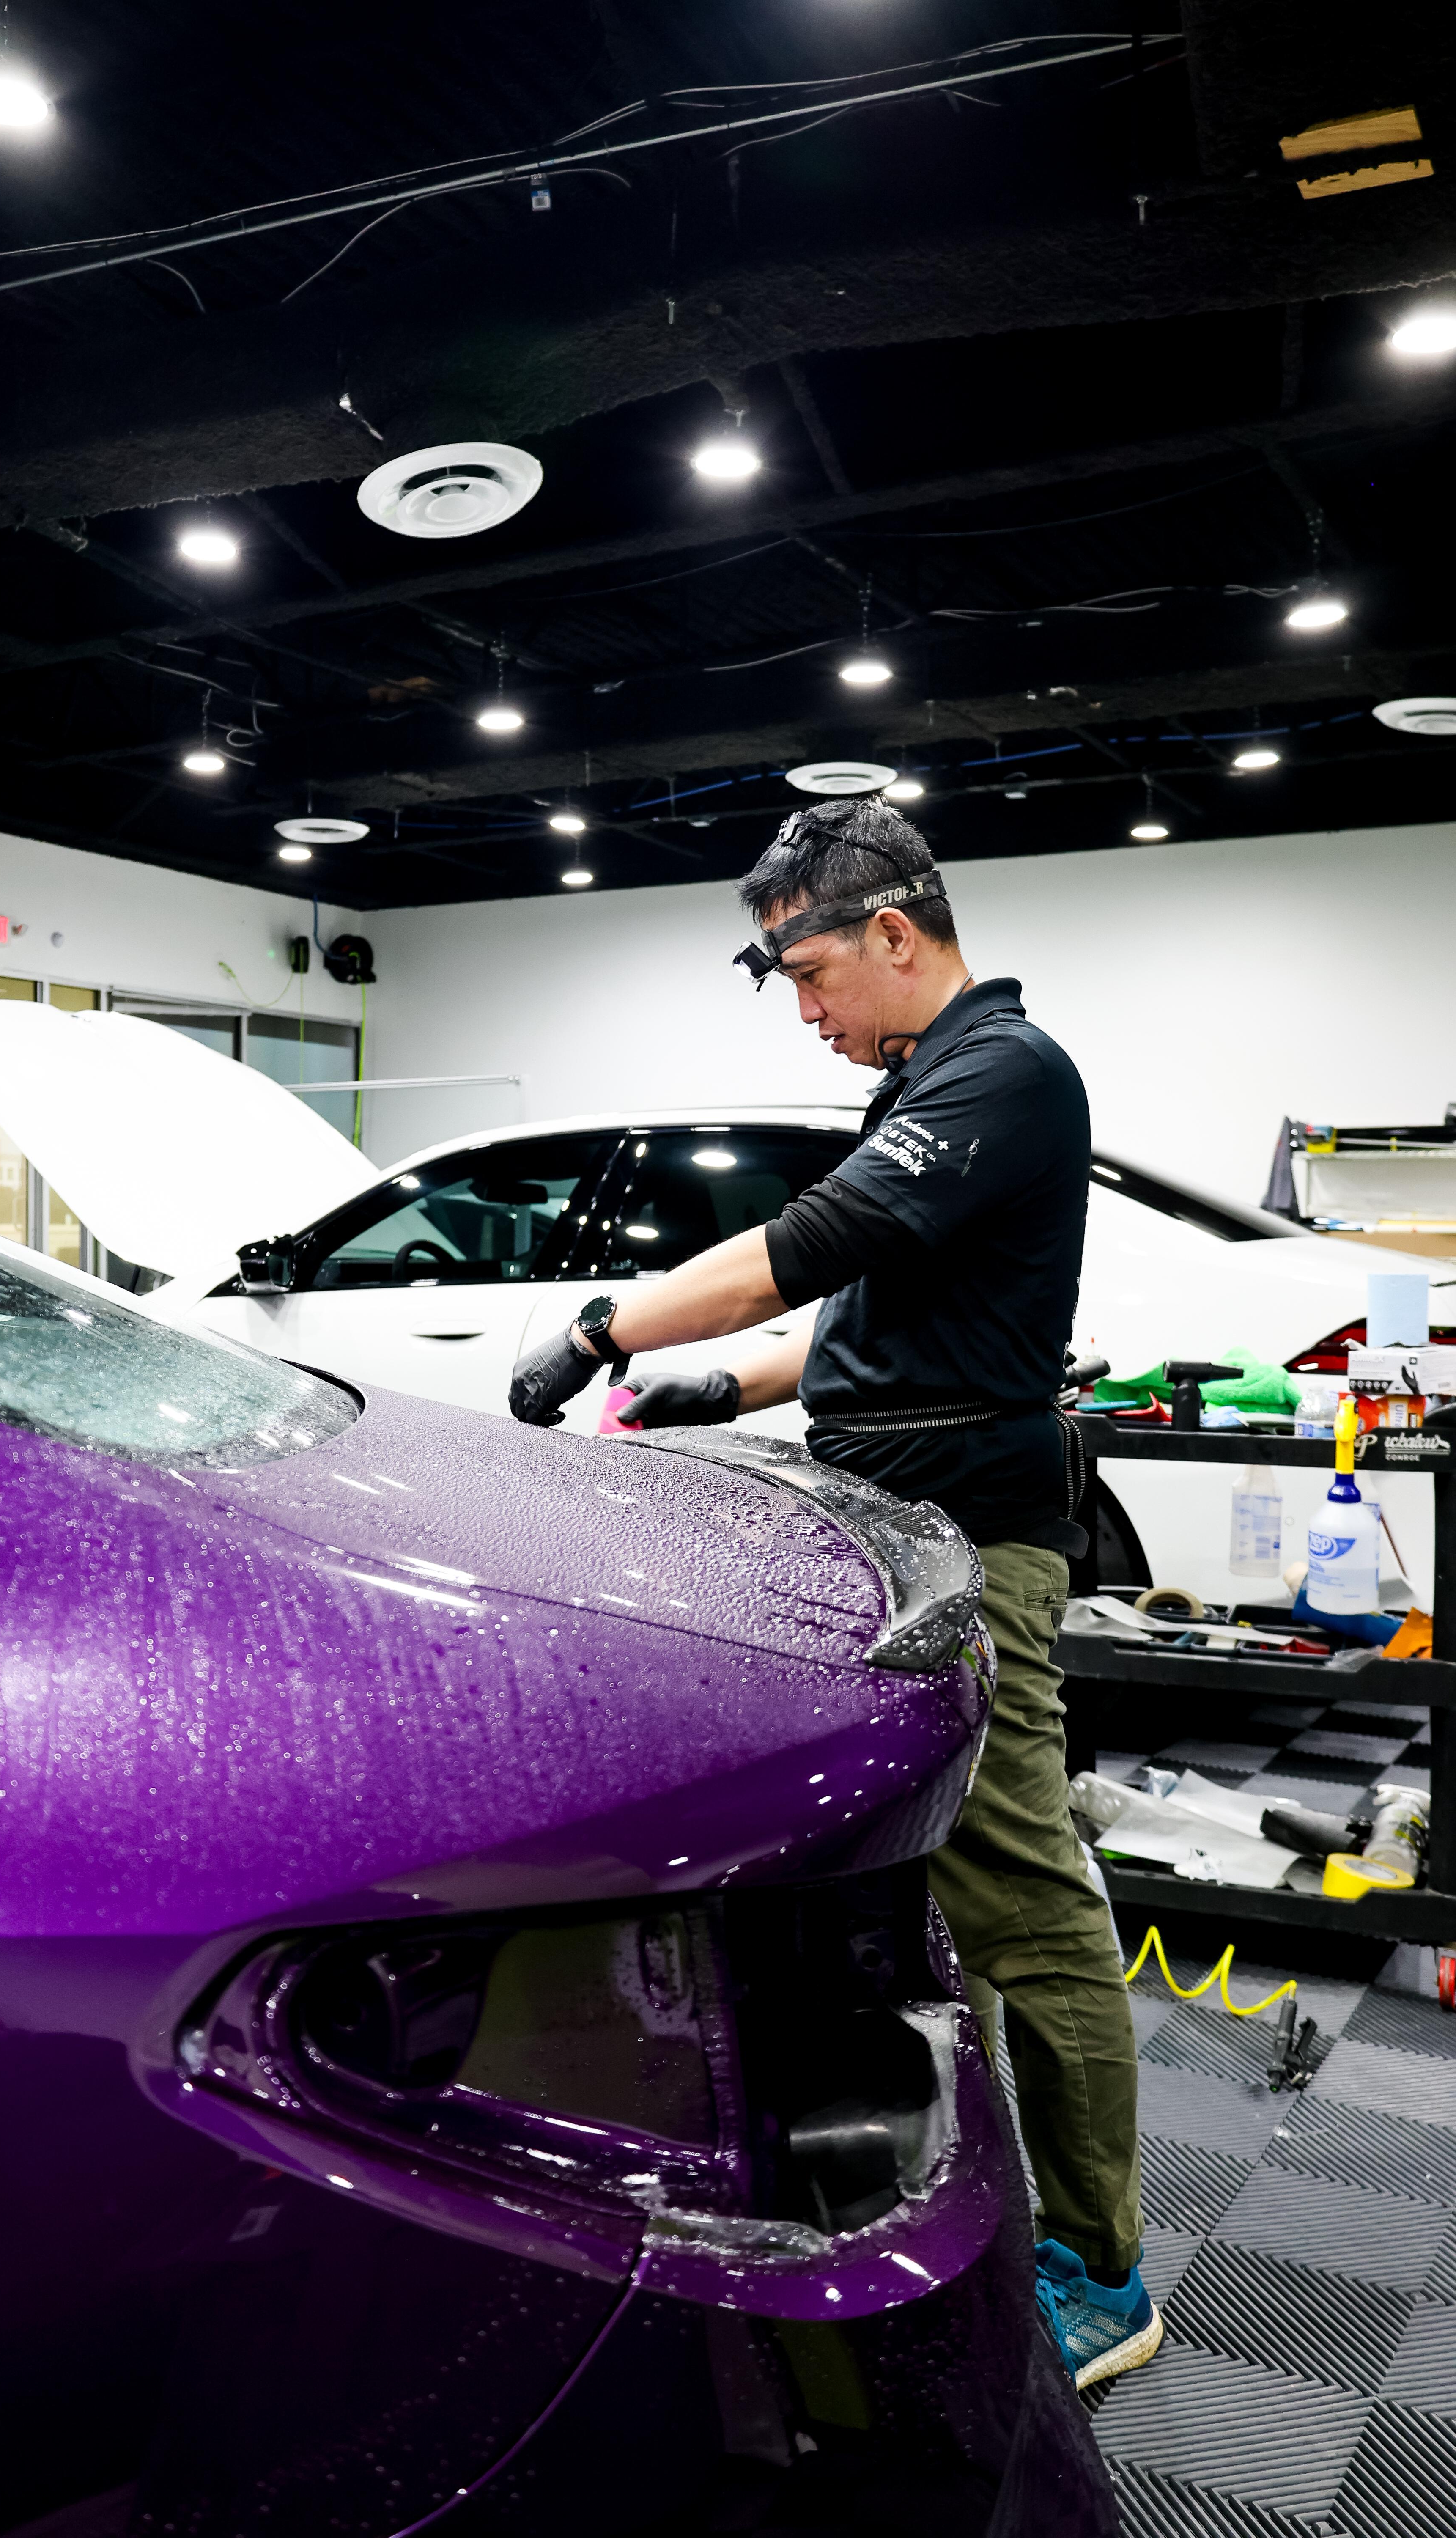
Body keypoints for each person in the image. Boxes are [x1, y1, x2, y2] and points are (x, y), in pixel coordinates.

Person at [507, 795, 1160, 2394]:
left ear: (892, 932)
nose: (806, 1012)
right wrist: (721, 1388)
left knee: (1023, 1895)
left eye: (809, 976)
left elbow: (814, 1244)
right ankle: (972, 2191)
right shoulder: (929, 1084)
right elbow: (869, 1313)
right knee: (920, 1883)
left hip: (979, 1539)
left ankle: (1103, 2267)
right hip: (892, 1526)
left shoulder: (1008, 1071)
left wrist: (606, 1330)